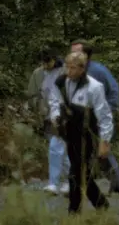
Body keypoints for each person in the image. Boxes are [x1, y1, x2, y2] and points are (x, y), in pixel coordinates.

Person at [48, 50, 113, 213]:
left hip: (87, 133)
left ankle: (74, 210)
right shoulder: (61, 82)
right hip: (69, 131)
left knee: (76, 171)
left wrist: (105, 141)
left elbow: (104, 115)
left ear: (82, 68)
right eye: (67, 67)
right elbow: (54, 101)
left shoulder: (94, 87)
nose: (69, 72)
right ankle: (101, 204)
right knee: (80, 173)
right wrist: (56, 117)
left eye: (73, 68)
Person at [71, 40, 119, 193]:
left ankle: (117, 183)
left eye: (77, 52)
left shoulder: (98, 71)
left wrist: (110, 108)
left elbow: (113, 89)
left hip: (100, 114)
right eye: (71, 52)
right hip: (82, 115)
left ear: (86, 55)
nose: (73, 55)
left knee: (101, 149)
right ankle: (82, 184)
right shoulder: (73, 71)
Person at [27, 49, 70, 195]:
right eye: (42, 62)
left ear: (54, 59)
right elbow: (32, 94)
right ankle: (63, 181)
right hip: (47, 114)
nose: (45, 65)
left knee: (60, 147)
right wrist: (39, 107)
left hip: (64, 114)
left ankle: (62, 181)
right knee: (56, 148)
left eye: (47, 62)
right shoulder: (37, 74)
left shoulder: (65, 70)